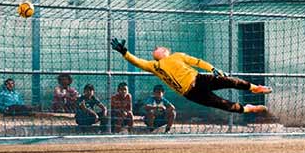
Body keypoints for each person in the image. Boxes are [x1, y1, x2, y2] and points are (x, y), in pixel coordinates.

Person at [111, 38, 272, 115]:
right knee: (221, 104)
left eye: (158, 47)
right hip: (190, 93)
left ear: (166, 51)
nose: (155, 48)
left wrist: (212, 68)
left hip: (199, 79)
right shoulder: (154, 66)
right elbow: (137, 61)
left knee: (229, 81)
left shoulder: (177, 56)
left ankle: (254, 88)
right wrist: (124, 52)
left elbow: (197, 61)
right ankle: (247, 109)